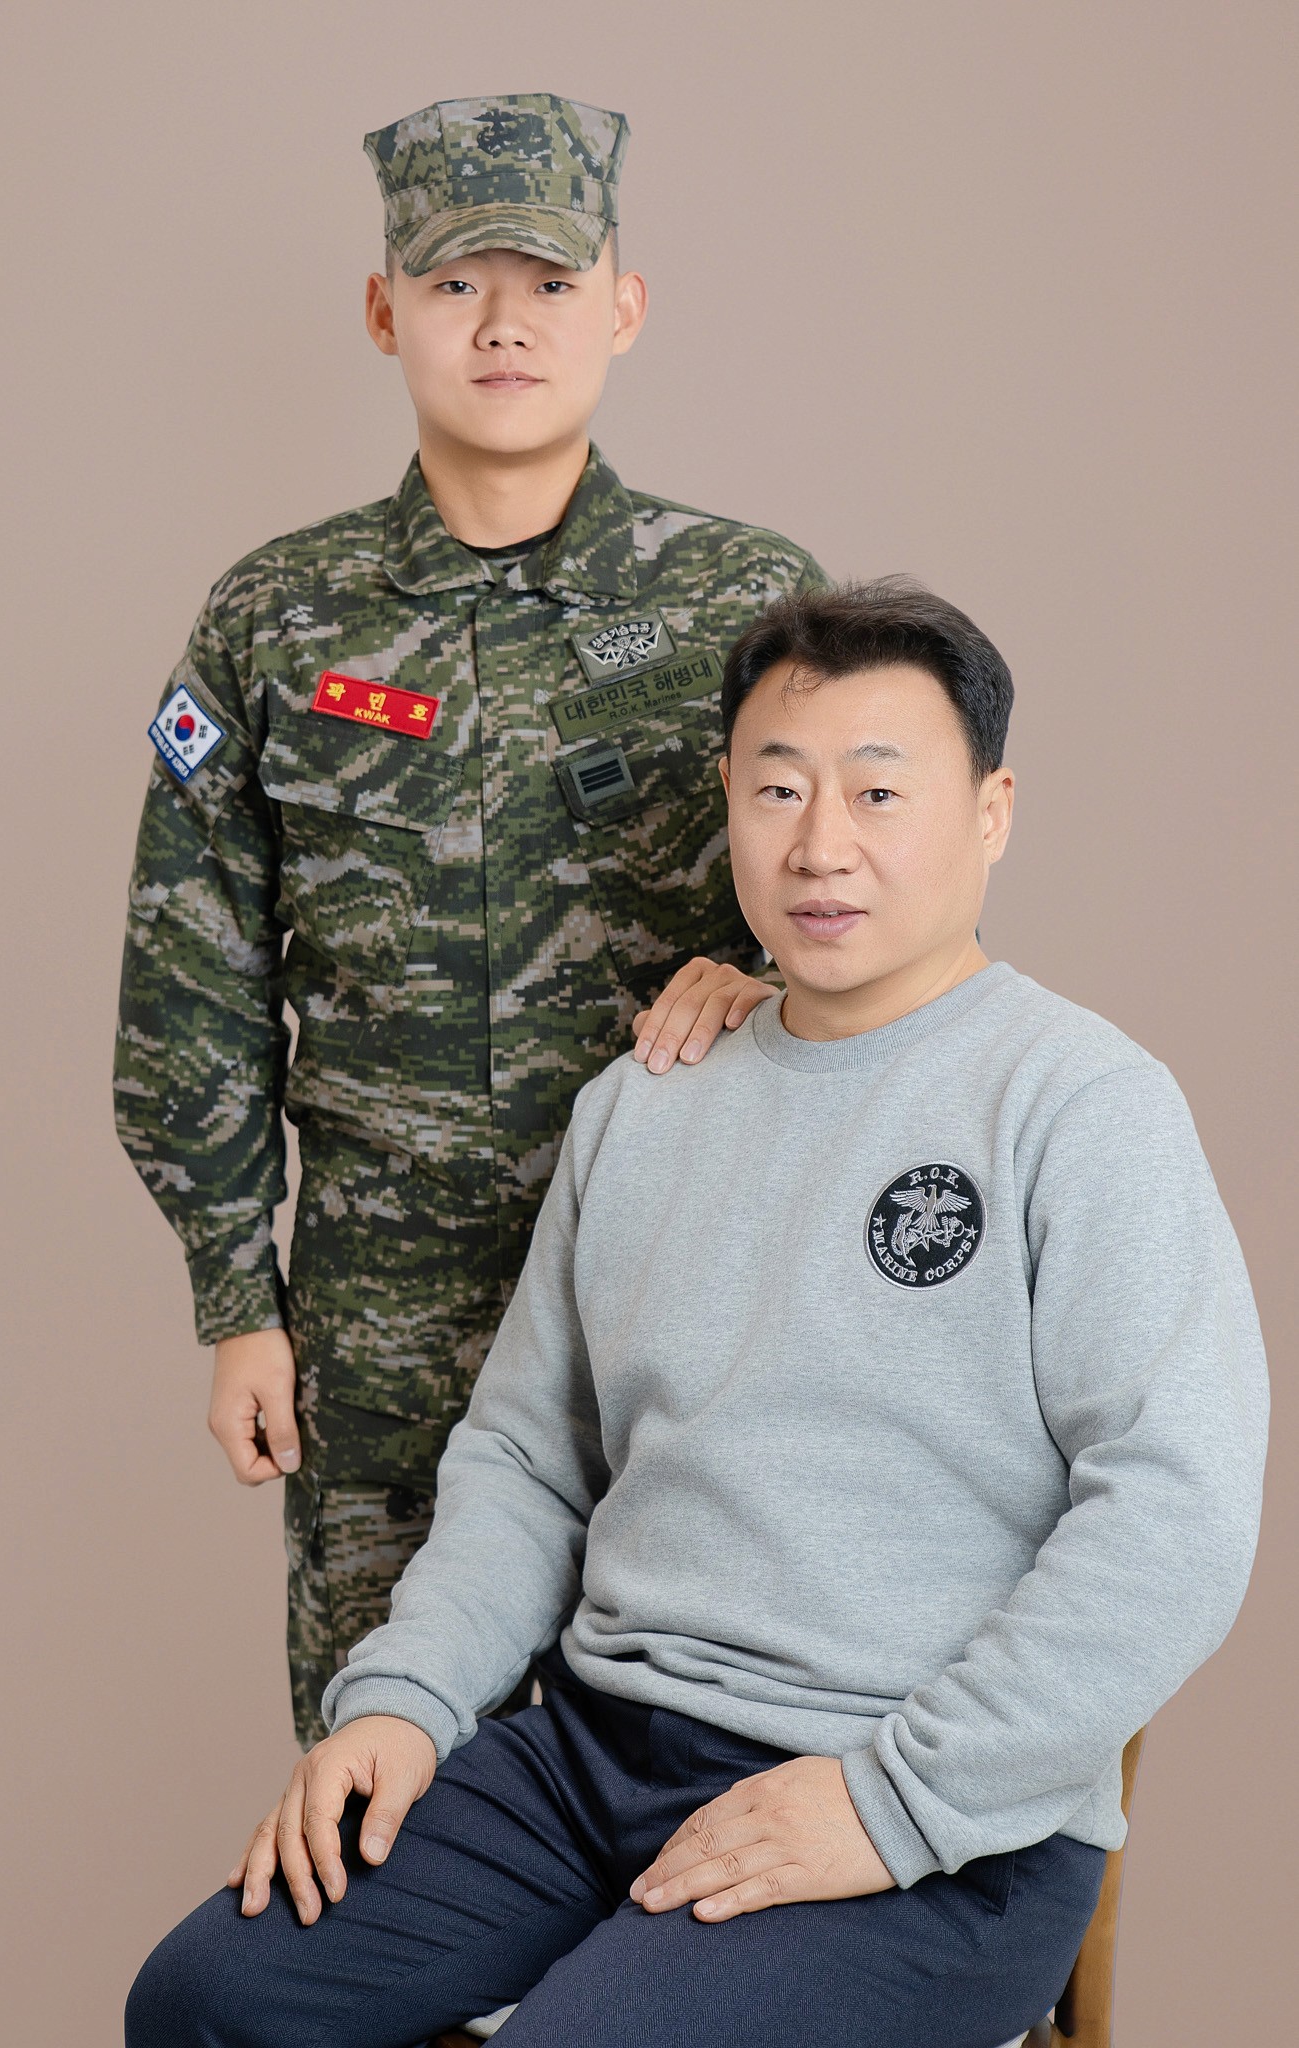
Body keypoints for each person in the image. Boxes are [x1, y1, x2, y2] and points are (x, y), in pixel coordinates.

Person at [126, 580, 1268, 2048]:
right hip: (593, 1754)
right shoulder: (643, 1104)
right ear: (726, 801)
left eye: (878, 792)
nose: (821, 845)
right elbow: (528, 1460)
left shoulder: (1081, 1105)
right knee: (207, 2004)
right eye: (778, 790)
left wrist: (890, 1800)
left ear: (991, 813)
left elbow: (1175, 1511)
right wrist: (403, 1702)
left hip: (928, 1817)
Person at [114, 93, 828, 1744]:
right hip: (385, 1331)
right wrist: (236, 1298)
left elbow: (874, 894)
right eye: (453, 285)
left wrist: (775, 976)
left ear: (622, 308)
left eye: (549, 285)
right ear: (384, 312)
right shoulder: (275, 617)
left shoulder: (749, 603)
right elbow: (189, 970)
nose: (504, 326)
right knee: (386, 1778)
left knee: (683, 1775)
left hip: (686, 1309)